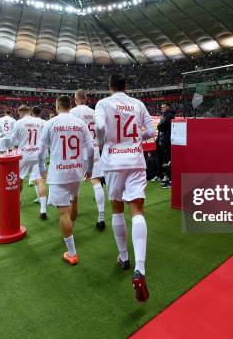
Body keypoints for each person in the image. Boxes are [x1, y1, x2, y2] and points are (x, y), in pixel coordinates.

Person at [94, 74, 157, 302]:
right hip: (135, 161)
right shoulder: (138, 104)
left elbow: (100, 126)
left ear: (110, 86)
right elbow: (151, 132)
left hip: (112, 162)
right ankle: (140, 269)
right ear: (126, 86)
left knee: (117, 209)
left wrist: (104, 143)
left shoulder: (103, 103)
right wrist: (136, 136)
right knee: (137, 211)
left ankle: (123, 257)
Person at [38, 95, 93, 265]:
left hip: (59, 173)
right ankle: (71, 229)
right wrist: (89, 168)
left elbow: (41, 150)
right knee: (74, 200)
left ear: (57, 106)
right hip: (76, 170)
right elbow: (90, 149)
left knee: (63, 212)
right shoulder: (80, 123)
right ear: (70, 106)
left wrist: (41, 168)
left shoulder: (51, 123)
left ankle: (72, 252)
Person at [70, 89, 106, 230]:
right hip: (94, 149)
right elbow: (102, 130)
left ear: (75, 99)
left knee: (74, 186)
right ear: (86, 98)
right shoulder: (94, 113)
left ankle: (71, 221)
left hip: (77, 152)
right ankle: (101, 217)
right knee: (96, 183)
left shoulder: (72, 113)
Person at [11, 105, 48, 219]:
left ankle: (17, 201)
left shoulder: (19, 122)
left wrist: (20, 142)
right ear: (30, 111)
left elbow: (13, 140)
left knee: (19, 179)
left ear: (20, 112)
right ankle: (43, 210)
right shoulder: (40, 122)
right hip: (38, 154)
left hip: (24, 155)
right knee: (40, 180)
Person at [156, 102, 174, 189]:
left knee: (168, 161)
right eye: (161, 107)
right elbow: (160, 128)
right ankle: (167, 178)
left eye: (164, 107)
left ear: (169, 107)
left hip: (167, 142)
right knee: (165, 161)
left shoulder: (170, 115)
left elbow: (160, 126)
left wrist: (160, 126)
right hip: (163, 141)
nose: (162, 108)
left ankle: (171, 180)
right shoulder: (164, 116)